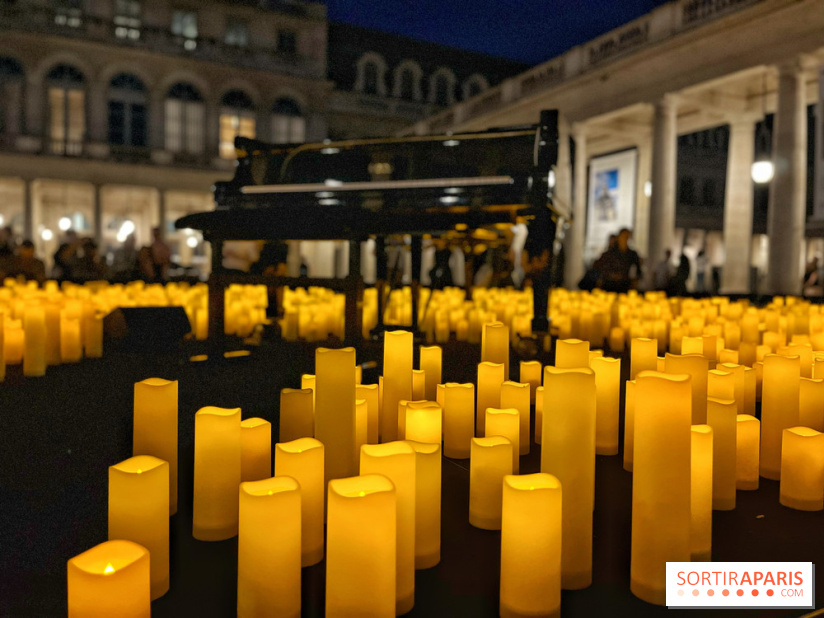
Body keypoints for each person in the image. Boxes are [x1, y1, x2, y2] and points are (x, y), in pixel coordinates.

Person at [598, 228, 642, 293]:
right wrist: (611, 275)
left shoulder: (632, 254)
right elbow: (602, 268)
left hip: (624, 285)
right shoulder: (610, 253)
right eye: (623, 236)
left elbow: (638, 270)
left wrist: (635, 281)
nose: (624, 239)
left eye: (626, 237)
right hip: (609, 285)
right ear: (618, 237)